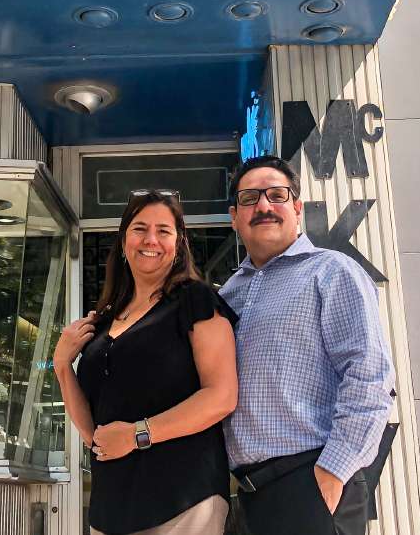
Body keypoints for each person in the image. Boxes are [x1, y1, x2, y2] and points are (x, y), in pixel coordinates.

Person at [220, 156, 395, 535]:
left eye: (276, 195)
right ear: (235, 216)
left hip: (310, 481)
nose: (264, 206)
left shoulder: (332, 271)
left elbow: (369, 378)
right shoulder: (228, 294)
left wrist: (331, 474)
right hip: (248, 495)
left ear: (296, 208)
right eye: (250, 198)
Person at [54, 190, 239, 535]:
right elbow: (94, 435)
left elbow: (222, 396)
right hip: (111, 507)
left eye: (163, 231)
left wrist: (138, 435)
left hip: (181, 501)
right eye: (140, 228)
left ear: (179, 242)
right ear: (124, 239)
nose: (150, 239)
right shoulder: (106, 319)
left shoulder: (195, 299)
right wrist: (62, 365)